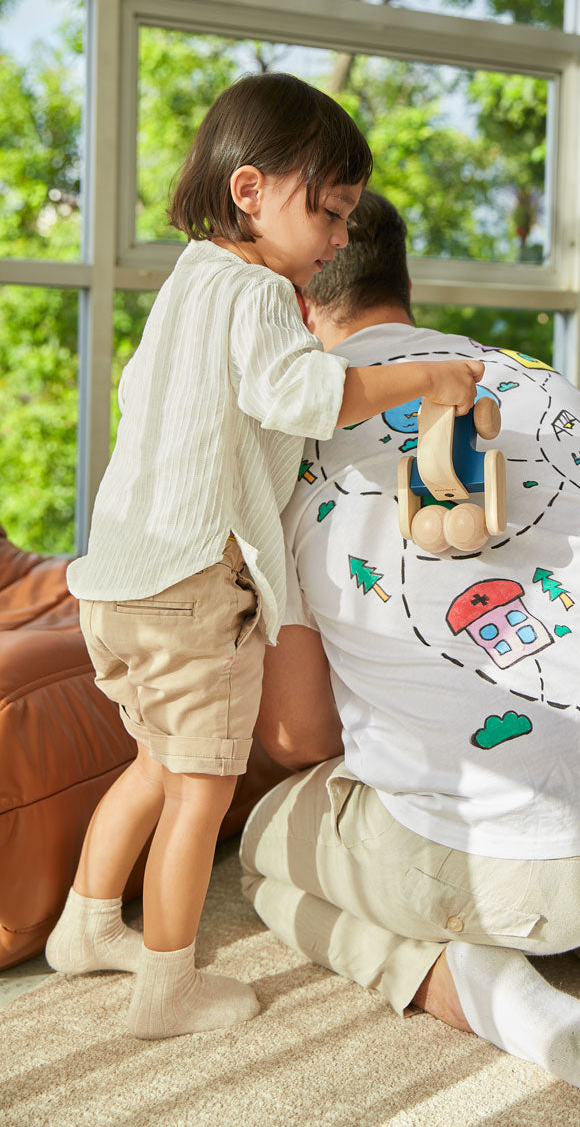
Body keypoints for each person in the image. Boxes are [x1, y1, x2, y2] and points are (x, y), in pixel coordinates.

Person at [241, 190, 580, 1092]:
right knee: (579, 754)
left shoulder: (286, 444)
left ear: (292, 303)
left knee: (262, 850)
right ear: (402, 280)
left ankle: (483, 987)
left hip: (508, 872)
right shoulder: (548, 386)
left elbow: (300, 738)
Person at [45, 78, 482, 1041]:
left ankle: (84, 927)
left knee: (153, 764)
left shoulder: (191, 278)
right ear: (250, 189)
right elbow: (308, 399)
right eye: (326, 212)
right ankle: (167, 985)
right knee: (202, 789)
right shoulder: (257, 294)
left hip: (116, 582)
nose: (336, 238)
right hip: (192, 587)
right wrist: (427, 376)